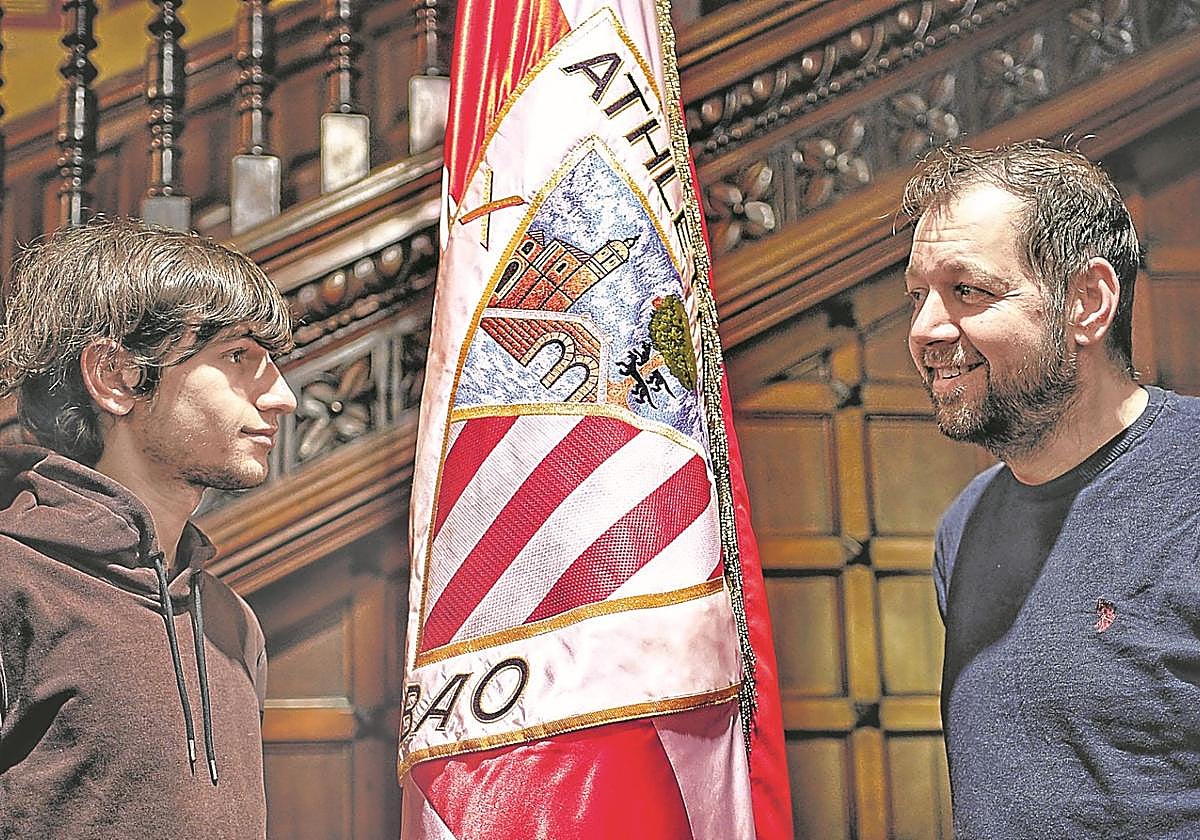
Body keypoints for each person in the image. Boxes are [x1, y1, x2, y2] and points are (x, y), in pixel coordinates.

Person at [902, 140, 1200, 839]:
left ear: (1087, 303)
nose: (924, 330)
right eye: (918, 296)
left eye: (967, 290)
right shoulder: (964, 524)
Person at [0, 218, 296, 838]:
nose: (283, 397)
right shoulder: (12, 585)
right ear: (117, 376)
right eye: (237, 356)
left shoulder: (231, 621)